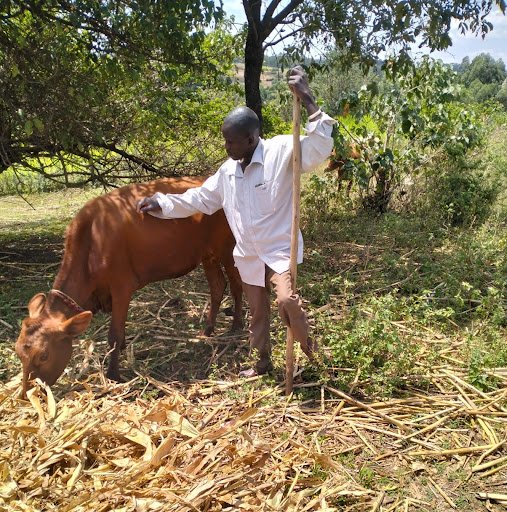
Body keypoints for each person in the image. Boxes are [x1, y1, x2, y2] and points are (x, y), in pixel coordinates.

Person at [137, 66, 335, 377]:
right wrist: (161, 202)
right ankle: (262, 364)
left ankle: (313, 354)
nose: (227, 148)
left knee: (286, 301)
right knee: (257, 313)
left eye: (232, 142)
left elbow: (319, 149)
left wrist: (308, 100)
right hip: (249, 255)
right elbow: (198, 199)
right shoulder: (227, 173)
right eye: (225, 142)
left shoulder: (282, 150)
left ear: (252, 137)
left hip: (280, 251)